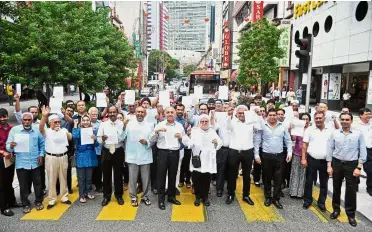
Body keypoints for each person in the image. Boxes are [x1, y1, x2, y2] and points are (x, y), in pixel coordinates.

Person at [327, 112, 367, 227]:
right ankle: (336, 209)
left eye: (347, 119)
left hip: (352, 165)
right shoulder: (334, 133)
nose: (344, 121)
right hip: (337, 163)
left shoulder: (358, 134)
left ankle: (350, 214)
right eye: (342, 119)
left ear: (351, 120)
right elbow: (329, 149)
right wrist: (329, 166)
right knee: (336, 188)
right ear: (340, 120)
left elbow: (362, 151)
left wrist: (359, 167)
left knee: (351, 190)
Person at [6, 112, 45, 213]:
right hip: (21, 163)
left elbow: (42, 144)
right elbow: (8, 146)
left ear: (32, 121)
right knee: (23, 186)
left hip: (35, 162)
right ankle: (25, 204)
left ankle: (38, 201)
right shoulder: (15, 130)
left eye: (29, 120)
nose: (27, 122)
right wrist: (11, 146)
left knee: (38, 184)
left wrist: (41, 155)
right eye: (25, 120)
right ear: (22, 120)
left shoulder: (36, 131)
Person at [254, 108, 292, 209]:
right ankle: (267, 197)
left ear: (277, 116)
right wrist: (256, 155)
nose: (272, 117)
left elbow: (288, 141)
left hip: (279, 156)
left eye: (274, 115)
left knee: (278, 178)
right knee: (266, 178)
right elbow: (257, 141)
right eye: (270, 115)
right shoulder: (262, 127)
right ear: (267, 116)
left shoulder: (282, 127)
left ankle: (276, 198)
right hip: (266, 156)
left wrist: (289, 152)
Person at [150, 107, 186, 210]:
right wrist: (157, 131)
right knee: (161, 176)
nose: (170, 114)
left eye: (172, 112)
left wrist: (181, 137)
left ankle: (171, 196)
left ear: (174, 114)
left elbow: (184, 140)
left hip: (175, 153)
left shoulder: (179, 126)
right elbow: (152, 140)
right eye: (168, 112)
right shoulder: (160, 125)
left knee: (173, 175)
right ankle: (161, 199)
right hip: (162, 153)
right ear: (164, 114)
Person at [182, 114, 222, 207]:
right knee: (196, 179)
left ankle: (205, 197)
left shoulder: (212, 131)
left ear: (208, 122)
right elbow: (190, 143)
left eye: (206, 121)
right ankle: (197, 197)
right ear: (199, 122)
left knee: (206, 180)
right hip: (198, 159)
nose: (204, 123)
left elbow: (220, 142)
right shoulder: (195, 131)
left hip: (208, 160)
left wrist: (216, 143)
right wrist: (186, 139)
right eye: (202, 122)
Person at [225, 105, 260, 205]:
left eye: (243, 113)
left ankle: (246, 195)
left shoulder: (251, 122)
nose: (241, 115)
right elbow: (227, 126)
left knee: (247, 175)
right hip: (234, 151)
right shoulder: (233, 121)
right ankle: (231, 194)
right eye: (239, 113)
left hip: (247, 151)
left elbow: (260, 126)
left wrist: (258, 115)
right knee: (232, 174)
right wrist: (229, 115)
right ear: (236, 114)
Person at [39, 106, 72, 209]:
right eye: (55, 122)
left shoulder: (63, 130)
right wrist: (44, 116)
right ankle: (52, 199)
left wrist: (67, 135)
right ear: (50, 123)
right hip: (51, 158)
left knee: (63, 178)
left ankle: (64, 197)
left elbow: (70, 138)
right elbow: (41, 128)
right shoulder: (47, 131)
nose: (58, 124)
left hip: (63, 156)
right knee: (52, 179)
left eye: (58, 122)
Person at [122, 106, 153, 207]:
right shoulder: (129, 124)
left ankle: (145, 196)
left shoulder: (150, 125)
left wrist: (147, 142)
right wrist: (123, 126)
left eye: (142, 112)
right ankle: (133, 197)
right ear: (135, 113)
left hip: (145, 155)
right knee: (132, 179)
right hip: (132, 155)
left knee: (146, 179)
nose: (140, 114)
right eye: (138, 112)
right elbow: (121, 137)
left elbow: (153, 139)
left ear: (145, 114)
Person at [302, 111, 332, 211]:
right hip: (312, 159)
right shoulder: (309, 130)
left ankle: (321, 202)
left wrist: (330, 164)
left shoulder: (330, 130)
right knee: (309, 181)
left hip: (325, 161)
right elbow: (304, 145)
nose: (318, 120)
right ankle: (307, 201)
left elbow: (333, 146)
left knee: (324, 183)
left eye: (320, 118)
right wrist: (303, 158)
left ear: (324, 118)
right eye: (316, 118)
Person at [97, 105, 125, 207]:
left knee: (118, 174)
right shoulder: (103, 124)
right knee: (106, 174)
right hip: (106, 151)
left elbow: (124, 138)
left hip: (118, 151)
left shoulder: (122, 124)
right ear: (108, 113)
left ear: (117, 113)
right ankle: (106, 196)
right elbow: (98, 139)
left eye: (114, 112)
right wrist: (102, 139)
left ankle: (119, 195)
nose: (112, 114)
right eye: (111, 112)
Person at [72, 115, 98, 203]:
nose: (86, 122)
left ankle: (88, 192)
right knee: (81, 177)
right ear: (81, 121)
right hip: (81, 155)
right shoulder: (78, 130)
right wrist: (75, 125)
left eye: (88, 120)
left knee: (89, 177)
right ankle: (81, 195)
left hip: (90, 155)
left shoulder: (93, 130)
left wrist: (95, 140)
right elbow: (74, 136)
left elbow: (97, 145)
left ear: (90, 121)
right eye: (84, 120)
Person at [0, 109, 20, 217]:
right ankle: (3, 207)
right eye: (1, 117)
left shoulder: (12, 128)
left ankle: (12, 201)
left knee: (10, 180)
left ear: (7, 116)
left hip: (10, 158)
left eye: (4, 116)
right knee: (2, 183)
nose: (3, 119)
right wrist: (3, 152)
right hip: (1, 158)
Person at [288, 113, 310, 198]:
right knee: (296, 172)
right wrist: (291, 129)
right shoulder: (298, 128)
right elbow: (293, 139)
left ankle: (301, 193)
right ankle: (294, 192)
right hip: (297, 153)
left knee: (304, 174)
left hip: (308, 155)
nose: (305, 121)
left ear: (309, 120)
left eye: (307, 119)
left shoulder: (312, 129)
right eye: (303, 119)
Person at [214, 103, 231, 197]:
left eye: (228, 109)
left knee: (232, 170)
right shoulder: (219, 119)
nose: (226, 110)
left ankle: (230, 190)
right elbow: (214, 127)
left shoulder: (236, 120)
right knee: (221, 170)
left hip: (233, 149)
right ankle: (219, 189)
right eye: (224, 108)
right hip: (222, 149)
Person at [354, 108, 372, 197]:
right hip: (357, 149)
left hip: (369, 149)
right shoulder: (355, 125)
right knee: (356, 167)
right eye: (367, 114)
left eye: (370, 114)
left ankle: (370, 188)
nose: (369, 116)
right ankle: (355, 184)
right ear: (361, 115)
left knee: (370, 170)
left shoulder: (371, 124)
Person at [89, 107, 103, 193]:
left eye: (96, 114)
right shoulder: (85, 123)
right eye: (92, 114)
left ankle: (99, 185)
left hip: (99, 149)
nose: (94, 115)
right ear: (89, 114)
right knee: (90, 169)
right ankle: (90, 184)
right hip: (89, 150)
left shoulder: (101, 123)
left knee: (99, 169)